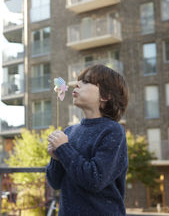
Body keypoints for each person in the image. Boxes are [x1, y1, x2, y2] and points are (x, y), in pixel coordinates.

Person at [46, 64, 129, 216]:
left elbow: (95, 180)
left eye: (86, 81)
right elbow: (55, 182)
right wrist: (56, 158)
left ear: (105, 96)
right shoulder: (69, 132)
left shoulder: (113, 131)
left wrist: (64, 149)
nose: (76, 84)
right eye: (78, 81)